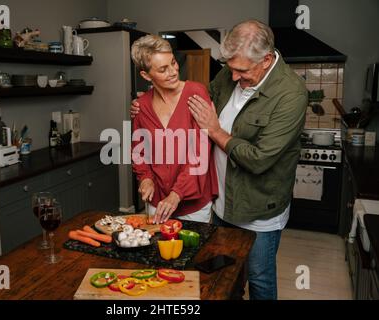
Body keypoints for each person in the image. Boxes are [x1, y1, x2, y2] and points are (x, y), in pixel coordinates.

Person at [132, 20, 308, 300]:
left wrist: (214, 130)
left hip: (258, 206)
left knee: (259, 278)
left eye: (241, 70)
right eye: (231, 68)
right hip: (224, 202)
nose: (233, 77)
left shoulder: (291, 94)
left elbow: (259, 159)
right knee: (227, 275)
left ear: (265, 60)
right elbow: (194, 100)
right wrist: (148, 99)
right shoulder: (231, 73)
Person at [130, 34, 218, 224]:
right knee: (158, 251)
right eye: (163, 69)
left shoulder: (196, 93)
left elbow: (200, 152)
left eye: (173, 63)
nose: (173, 71)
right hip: (158, 202)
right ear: (146, 75)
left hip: (193, 204)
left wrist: (177, 194)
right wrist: (145, 178)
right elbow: (139, 150)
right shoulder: (142, 105)